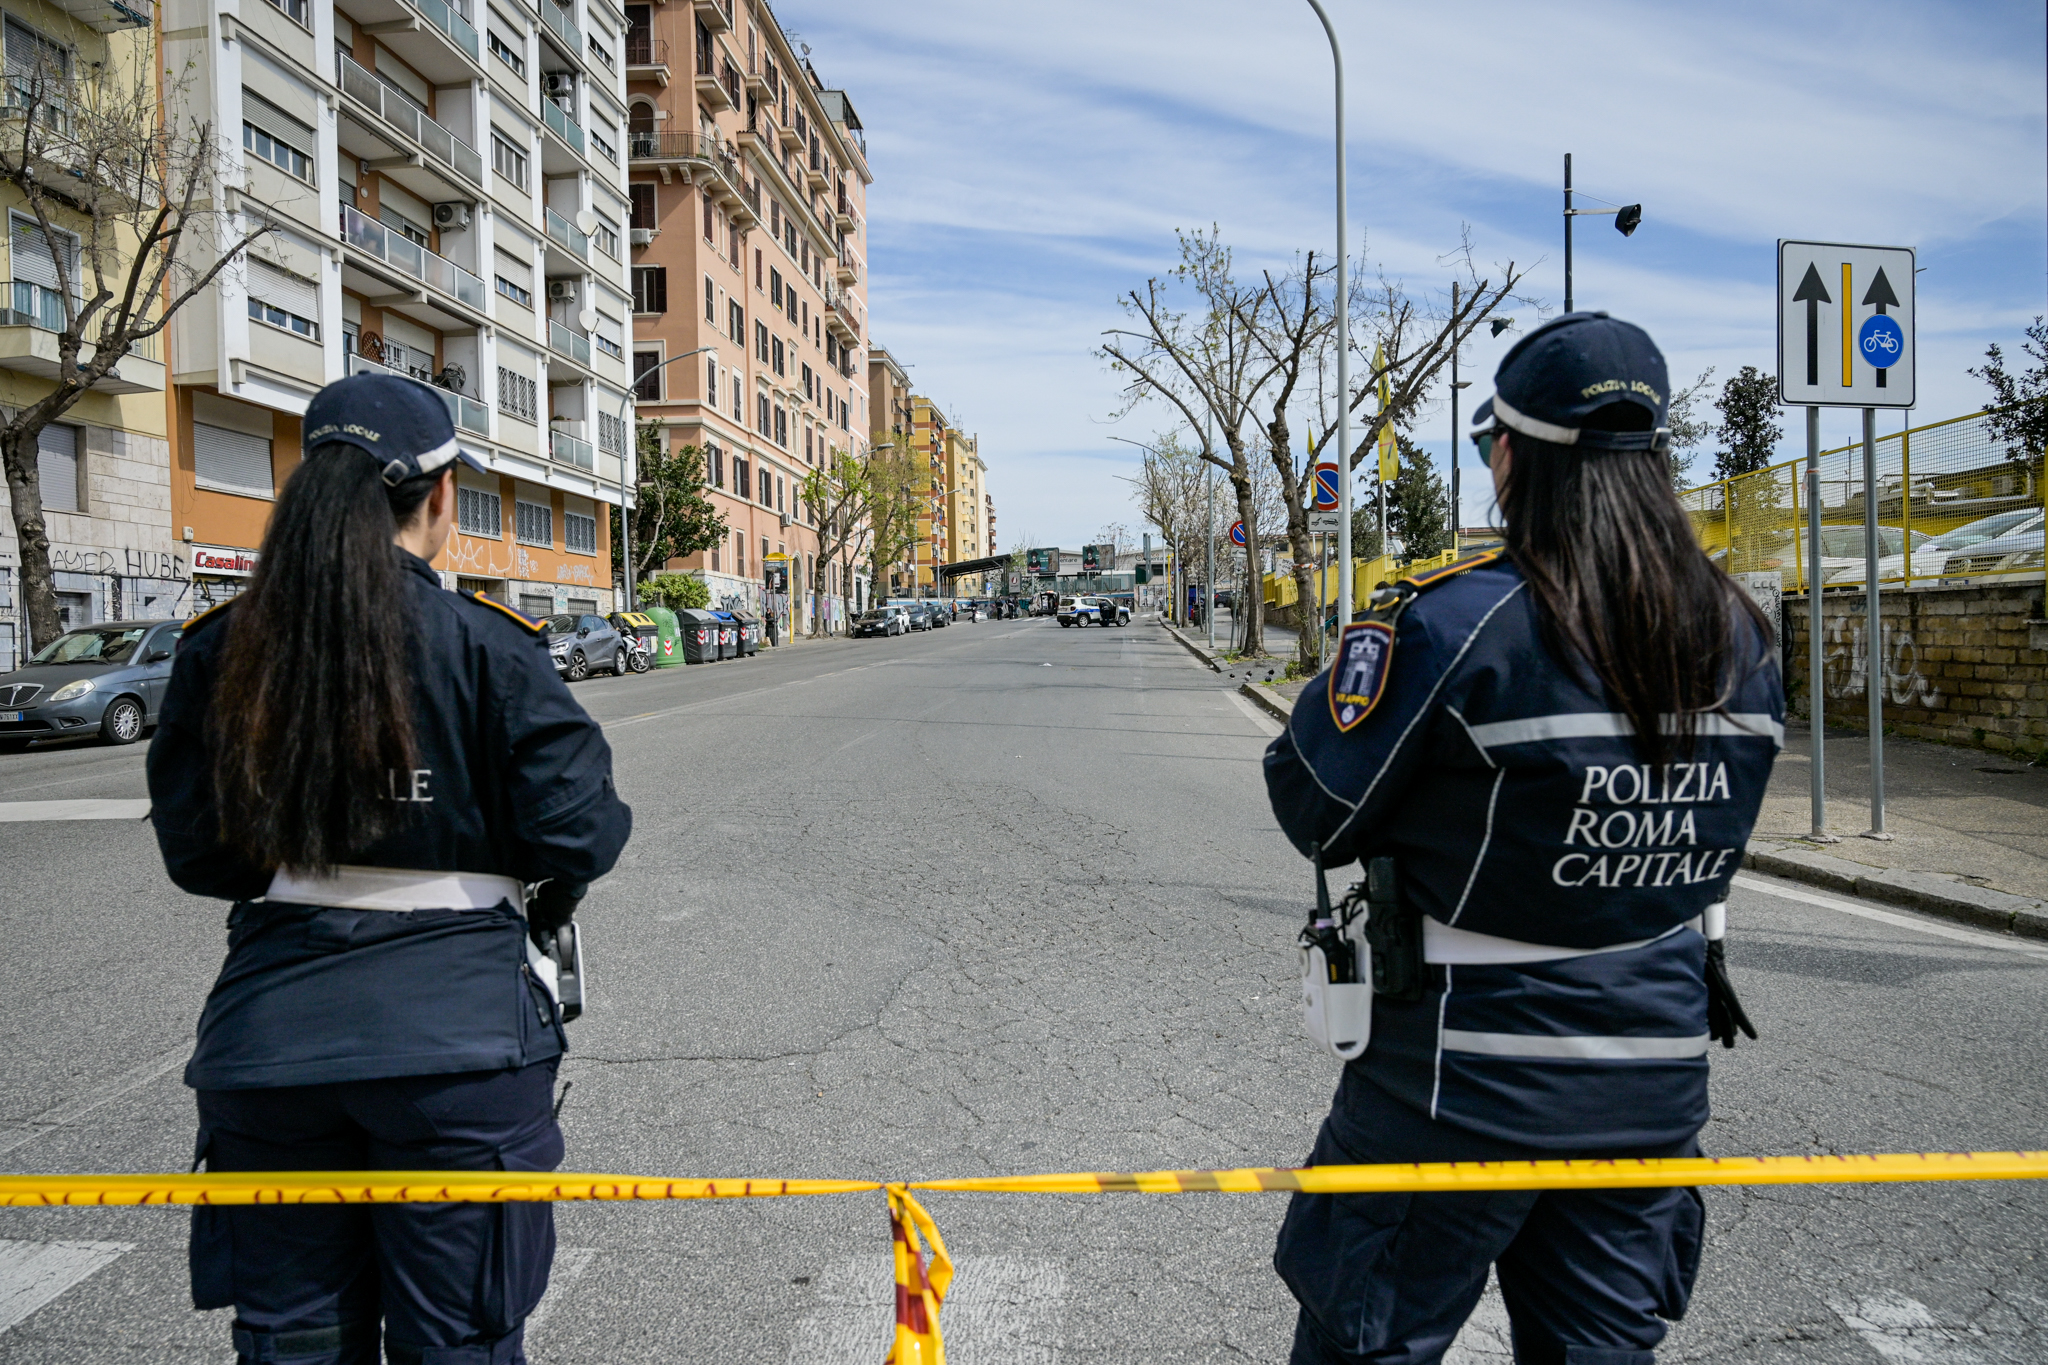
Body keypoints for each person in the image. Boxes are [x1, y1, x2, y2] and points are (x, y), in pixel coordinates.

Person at [1263, 313, 1781, 1365]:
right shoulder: (1741, 633)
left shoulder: (1456, 624)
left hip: (1455, 1087)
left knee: (1367, 1346)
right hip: (1651, 1084)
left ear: (1510, 454)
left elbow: (1312, 801)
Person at [148, 374, 631, 1365]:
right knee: (456, 1344)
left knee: (295, 1345)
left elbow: (198, 853)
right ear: (441, 498)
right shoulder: (490, 647)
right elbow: (581, 829)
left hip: (273, 1046)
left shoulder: (219, 650)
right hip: (459, 1047)